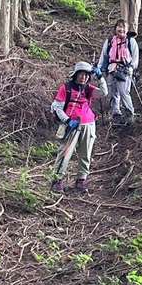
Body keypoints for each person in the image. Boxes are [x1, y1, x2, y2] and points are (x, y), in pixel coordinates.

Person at [50, 62, 108, 192]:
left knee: (86, 153)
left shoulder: (89, 89)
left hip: (89, 124)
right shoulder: (66, 88)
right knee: (65, 152)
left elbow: (104, 92)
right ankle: (57, 180)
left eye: (86, 75)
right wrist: (67, 120)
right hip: (71, 125)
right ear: (76, 74)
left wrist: (100, 77)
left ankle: (81, 180)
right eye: (81, 74)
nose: (84, 77)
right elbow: (57, 107)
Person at [98, 19, 139, 125]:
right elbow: (104, 56)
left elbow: (135, 59)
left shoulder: (131, 41)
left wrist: (131, 68)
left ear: (127, 29)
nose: (121, 29)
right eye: (119, 27)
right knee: (112, 92)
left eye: (124, 27)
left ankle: (129, 114)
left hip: (124, 70)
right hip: (111, 69)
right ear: (115, 28)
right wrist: (99, 68)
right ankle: (116, 114)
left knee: (124, 92)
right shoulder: (110, 41)